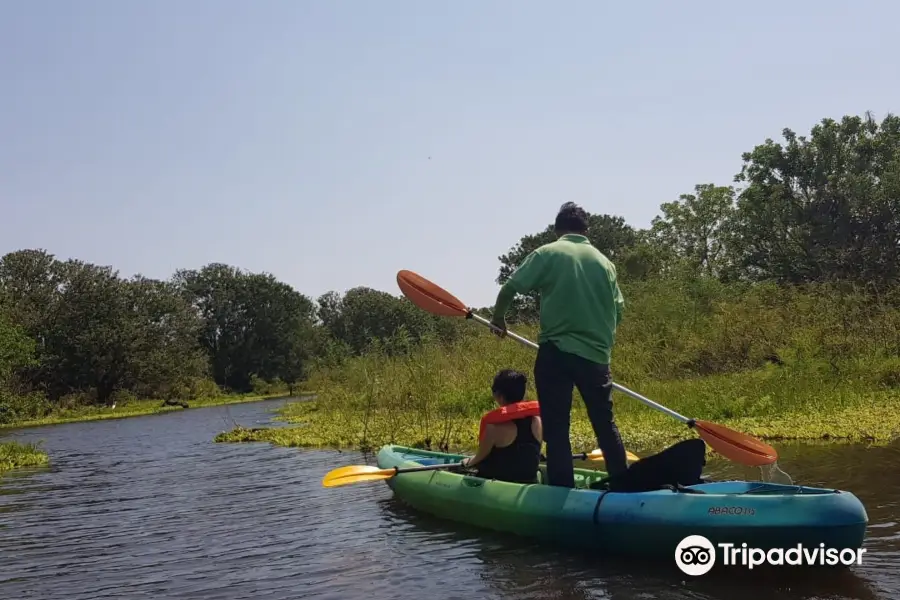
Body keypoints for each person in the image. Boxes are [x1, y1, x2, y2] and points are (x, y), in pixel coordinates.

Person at [489, 201, 628, 488]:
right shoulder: (605, 263)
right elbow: (620, 311)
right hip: (597, 356)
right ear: (586, 230)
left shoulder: (548, 253)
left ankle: (562, 490)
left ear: (557, 230)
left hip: (557, 352)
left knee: (556, 426)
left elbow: (511, 287)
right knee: (605, 424)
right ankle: (625, 484)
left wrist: (499, 318)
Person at [460, 369, 543, 484]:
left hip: (499, 484)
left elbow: (479, 458)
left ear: (500, 397)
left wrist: (466, 462)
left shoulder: (493, 428)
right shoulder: (538, 421)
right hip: (529, 481)